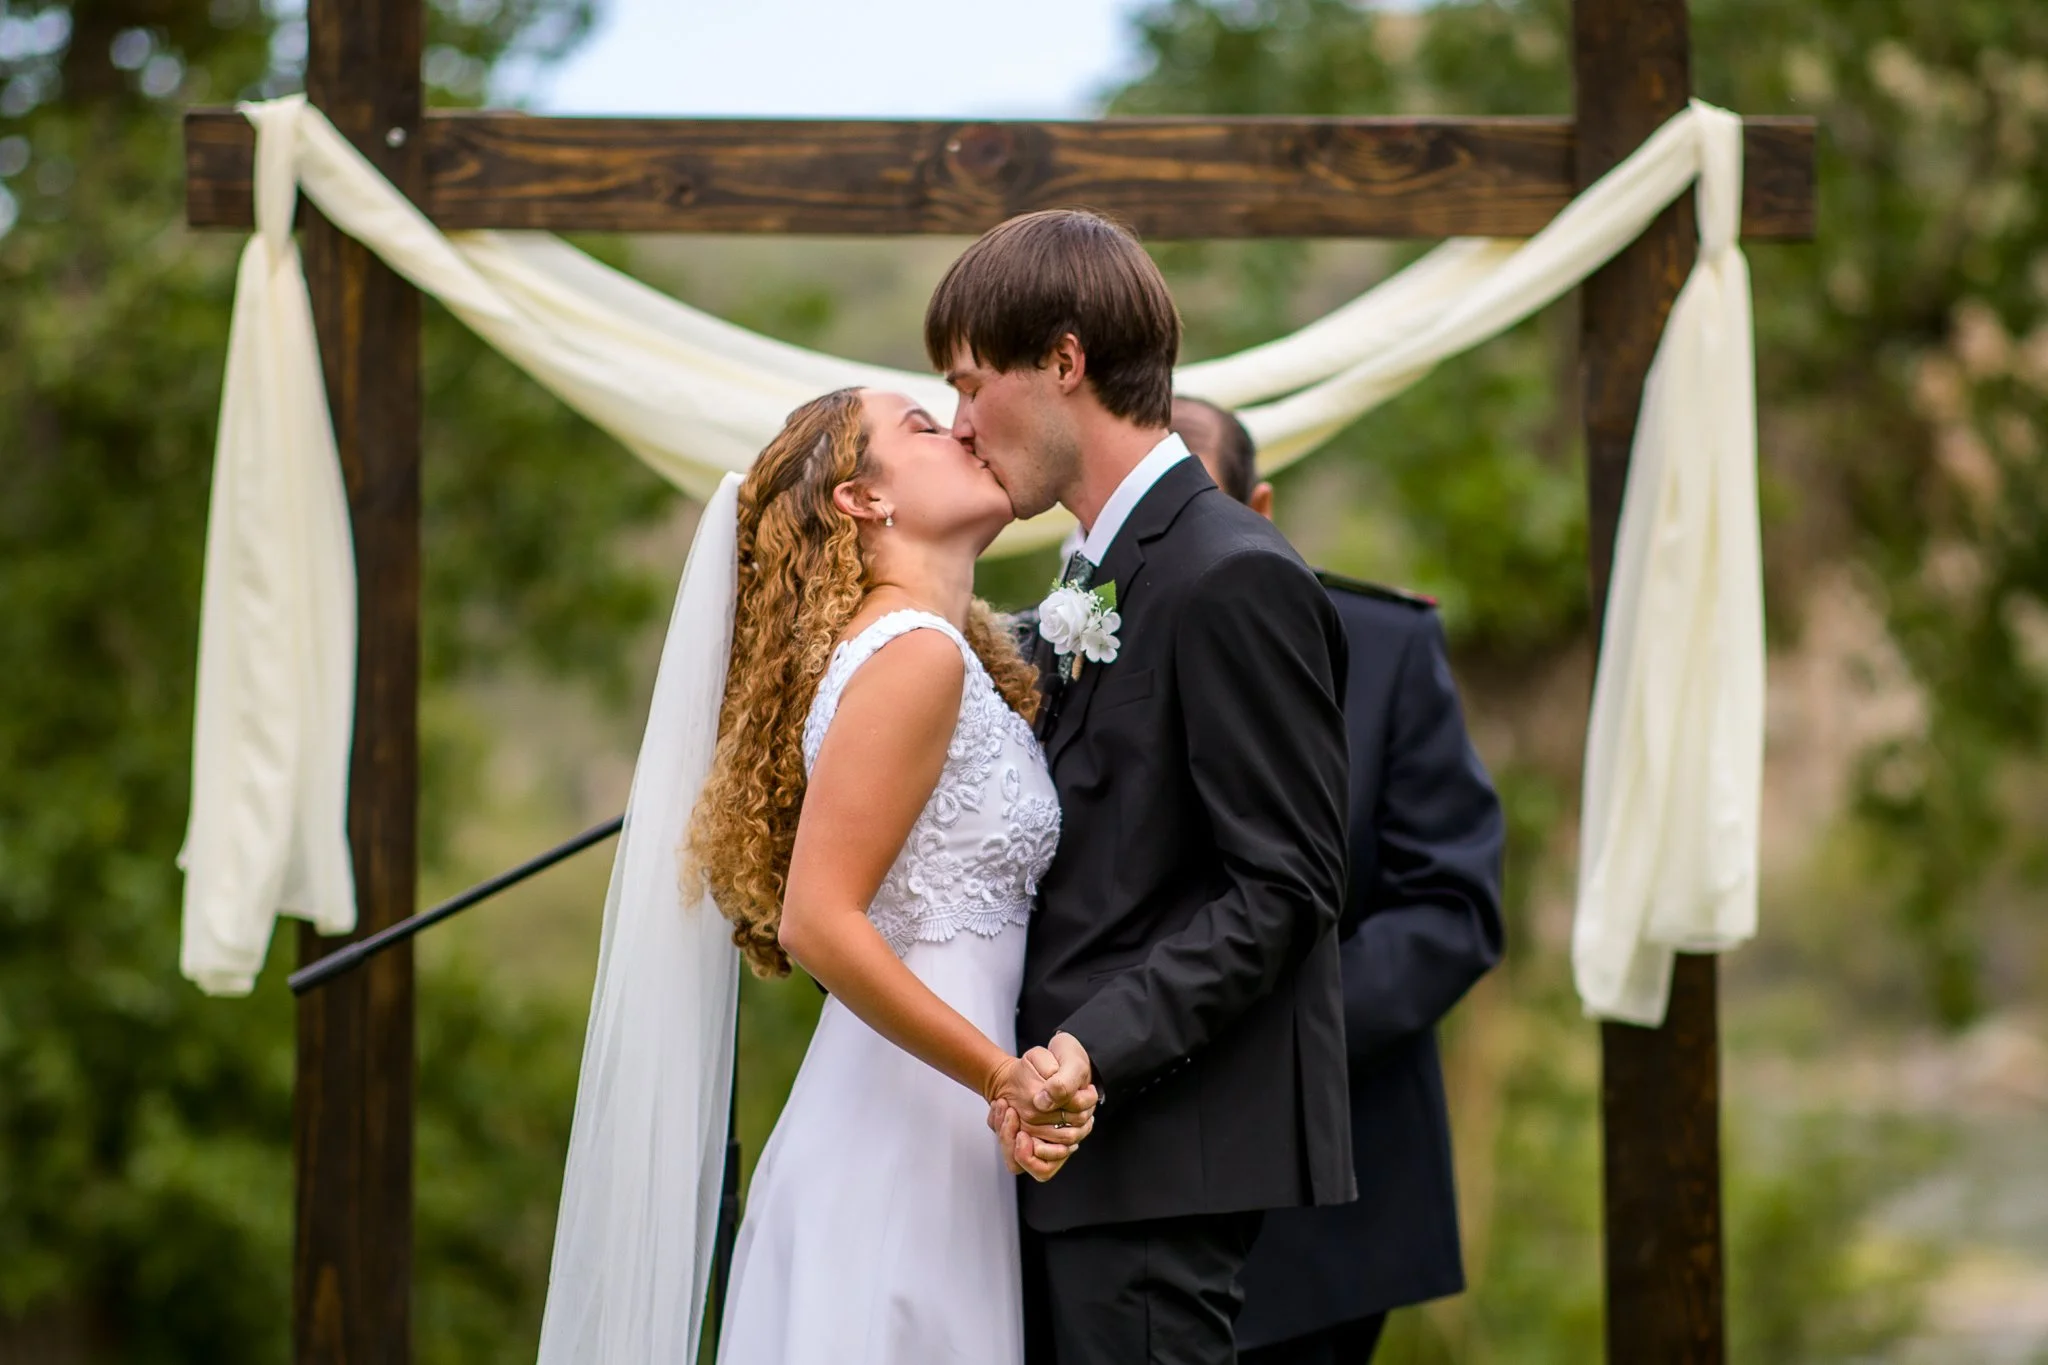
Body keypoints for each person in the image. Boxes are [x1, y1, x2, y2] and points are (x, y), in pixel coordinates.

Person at [929, 210, 1355, 1365]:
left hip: (1159, 1156)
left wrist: (1087, 1050)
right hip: (1079, 1157)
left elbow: (1283, 886)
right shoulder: (1104, 572)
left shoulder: (1228, 577)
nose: (961, 425)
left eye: (971, 384)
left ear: (1062, 361)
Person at [701, 387, 1101, 1365]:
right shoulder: (912, 657)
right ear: (860, 500)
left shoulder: (941, 652)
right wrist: (999, 1076)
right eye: (922, 427)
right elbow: (816, 923)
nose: (961, 427)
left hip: (931, 1121)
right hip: (901, 1134)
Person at [1172, 396, 1506, 1365]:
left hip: (1326, 1211)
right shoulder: (1057, 647)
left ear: (1256, 506)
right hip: (1109, 1203)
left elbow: (1450, 908)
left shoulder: (1385, 646)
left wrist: (1271, 1036)